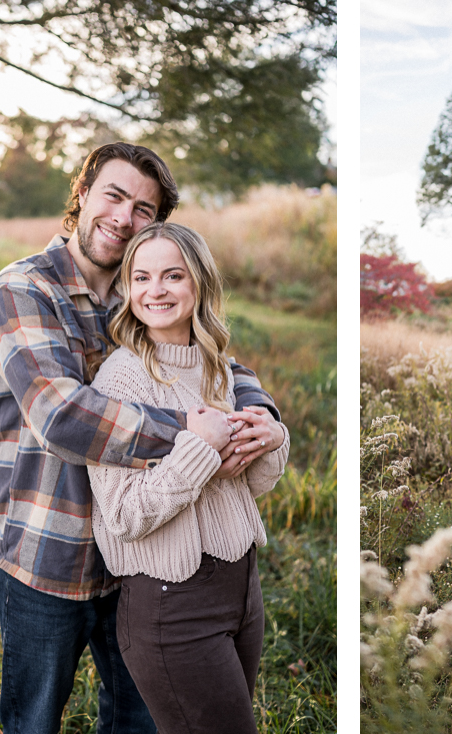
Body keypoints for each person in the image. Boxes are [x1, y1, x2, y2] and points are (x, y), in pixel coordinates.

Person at [0, 142, 278, 734]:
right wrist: (196, 434)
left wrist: (259, 414)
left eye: (143, 209)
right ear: (82, 194)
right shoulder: (25, 289)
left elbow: (219, 364)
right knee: (33, 723)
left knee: (139, 723)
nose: (123, 217)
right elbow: (63, 417)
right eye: (114, 196)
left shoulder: (142, 288)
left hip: (142, 562)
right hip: (50, 553)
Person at [87, 222, 288, 733]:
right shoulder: (120, 379)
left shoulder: (217, 365)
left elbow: (248, 485)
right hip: (173, 604)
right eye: (142, 277)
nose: (155, 290)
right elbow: (124, 515)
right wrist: (200, 451)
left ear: (199, 281)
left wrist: (271, 440)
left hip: (242, 590)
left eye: (172, 275)